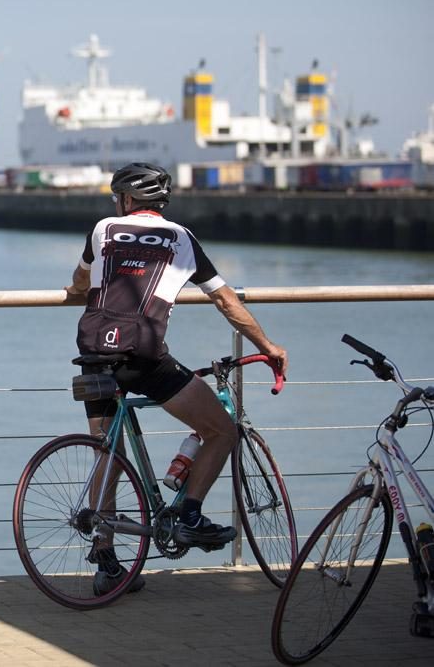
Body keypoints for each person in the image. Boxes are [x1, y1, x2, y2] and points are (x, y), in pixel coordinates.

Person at [65, 162, 288, 595]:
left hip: (92, 352)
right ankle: (188, 515)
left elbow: (79, 282)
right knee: (221, 429)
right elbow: (226, 301)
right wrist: (267, 346)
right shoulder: (181, 238)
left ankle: (108, 562)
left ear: (126, 201)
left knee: (107, 453)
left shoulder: (103, 229)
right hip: (144, 358)